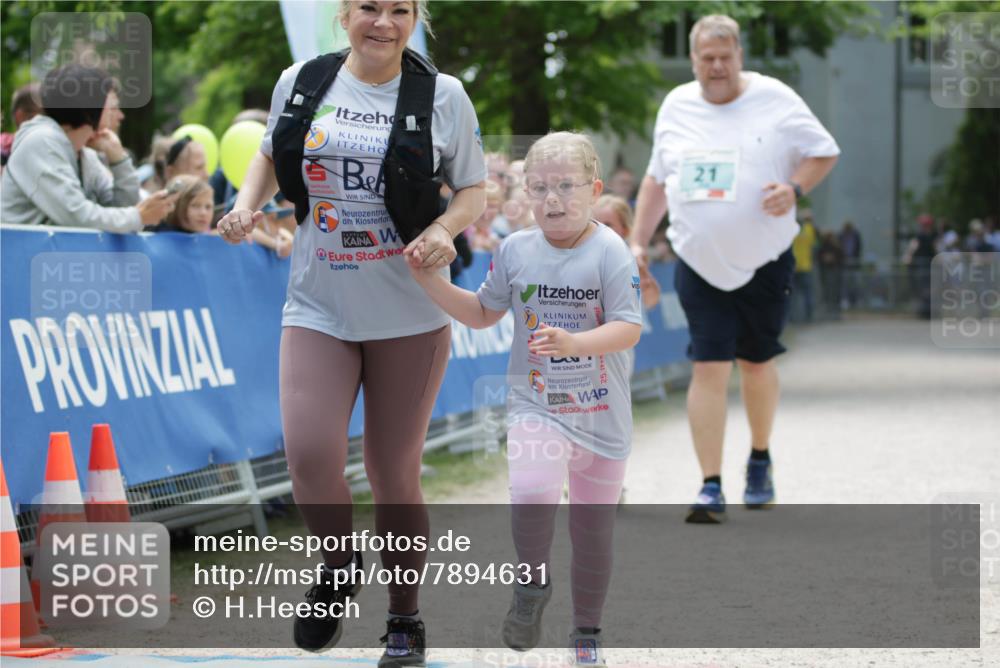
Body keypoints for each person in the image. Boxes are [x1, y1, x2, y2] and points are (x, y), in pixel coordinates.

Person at [216, 2, 487, 665]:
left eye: (399, 9)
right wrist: (246, 207)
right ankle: (338, 565)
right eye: (369, 6)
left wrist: (441, 230)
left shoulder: (442, 95)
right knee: (308, 458)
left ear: (415, 17)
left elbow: (474, 193)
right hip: (319, 305)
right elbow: (269, 152)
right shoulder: (303, 80)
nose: (383, 22)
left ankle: (404, 618)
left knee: (392, 472)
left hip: (409, 313)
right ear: (345, 13)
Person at [406, 132, 641, 666]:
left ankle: (586, 635)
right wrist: (428, 280)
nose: (553, 200)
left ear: (595, 189)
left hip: (603, 415)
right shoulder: (514, 250)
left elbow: (628, 327)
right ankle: (531, 587)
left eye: (566, 186)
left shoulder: (609, 250)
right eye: (539, 188)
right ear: (523, 193)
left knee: (592, 534)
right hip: (536, 405)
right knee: (532, 494)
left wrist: (575, 343)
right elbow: (484, 312)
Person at [630, 14, 839, 523]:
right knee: (708, 364)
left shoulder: (776, 99)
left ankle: (760, 456)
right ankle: (709, 484)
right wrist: (637, 239)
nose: (717, 67)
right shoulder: (676, 105)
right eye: (707, 58)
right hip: (698, 261)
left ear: (739, 56)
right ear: (695, 60)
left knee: (757, 363)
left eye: (726, 57)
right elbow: (657, 179)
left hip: (766, 259)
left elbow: (824, 152)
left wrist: (794, 189)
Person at [1, 65, 175, 232]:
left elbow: (118, 210)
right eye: (112, 106)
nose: (120, 115)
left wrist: (119, 160)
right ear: (89, 107)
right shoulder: (40, 142)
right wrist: (138, 216)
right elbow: (76, 215)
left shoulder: (85, 155)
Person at [593, 194, 661, 310]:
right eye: (594, 223)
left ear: (625, 230)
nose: (600, 229)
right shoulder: (578, 256)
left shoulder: (631, 261)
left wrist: (643, 276)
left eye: (608, 225)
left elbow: (650, 301)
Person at [791, 210, 818, 322]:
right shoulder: (809, 230)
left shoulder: (792, 230)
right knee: (808, 293)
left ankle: (791, 317)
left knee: (792, 294)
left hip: (794, 266)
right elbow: (814, 244)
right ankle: (809, 316)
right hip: (806, 266)